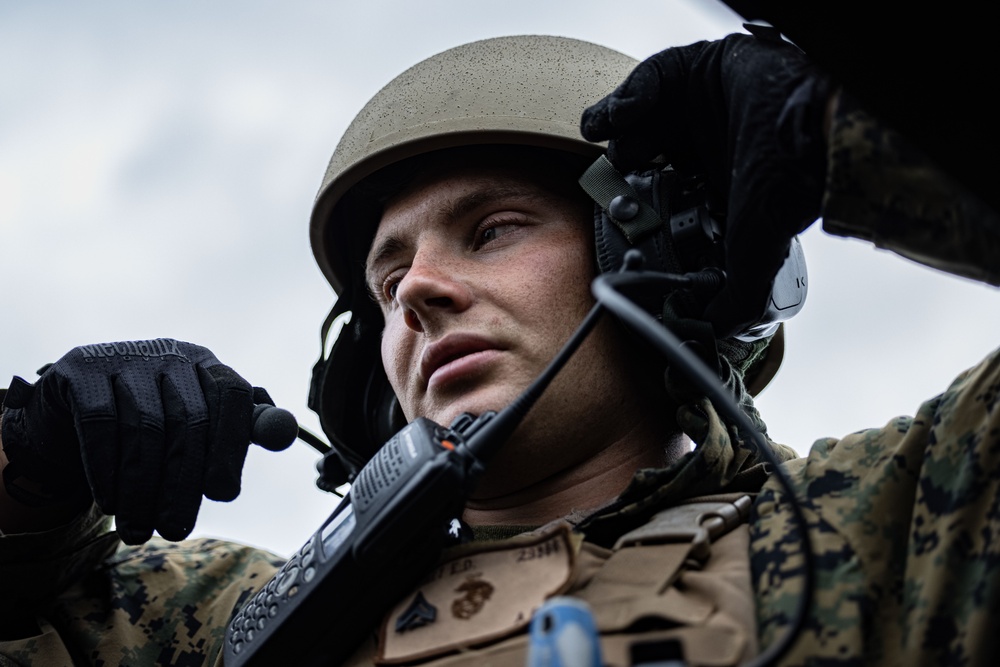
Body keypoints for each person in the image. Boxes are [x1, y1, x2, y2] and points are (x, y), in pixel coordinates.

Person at [1, 26, 997, 667]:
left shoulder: (887, 523)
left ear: (658, 261)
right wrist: (31, 481)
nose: (420, 293)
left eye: (494, 230)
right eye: (387, 286)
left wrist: (843, 137)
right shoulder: (234, 625)